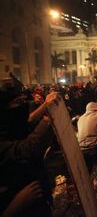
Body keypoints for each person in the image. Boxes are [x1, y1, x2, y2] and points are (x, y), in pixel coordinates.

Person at [0, 74, 59, 216]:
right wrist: (46, 121)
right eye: (17, 102)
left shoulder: (10, 126)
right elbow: (26, 150)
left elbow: (28, 121)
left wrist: (46, 105)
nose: (23, 106)